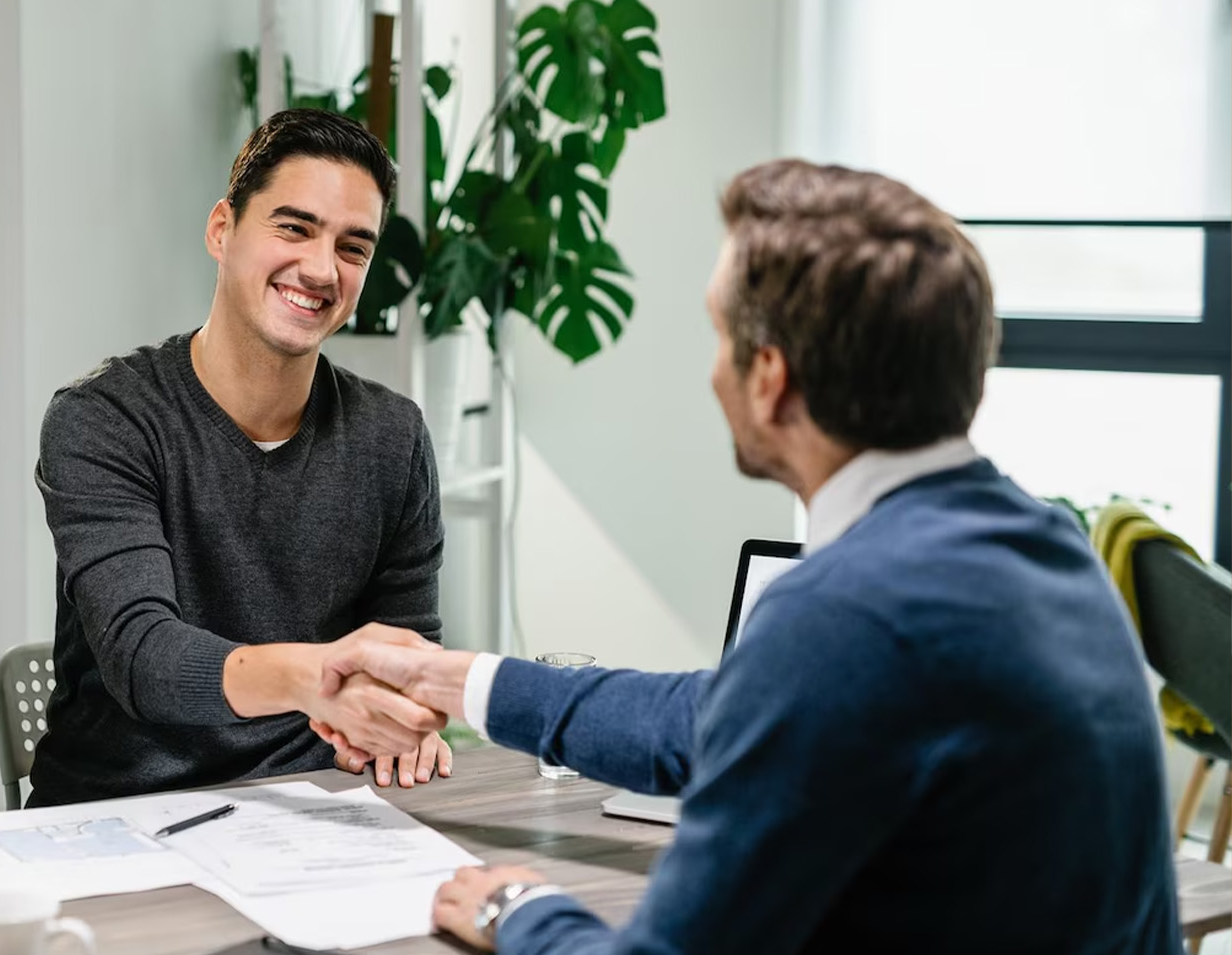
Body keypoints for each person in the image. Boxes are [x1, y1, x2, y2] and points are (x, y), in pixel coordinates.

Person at [312, 160, 1180, 953]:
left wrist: (521, 910)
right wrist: (451, 677)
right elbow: (713, 718)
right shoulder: (1050, 548)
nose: (712, 373)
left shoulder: (845, 614)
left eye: (719, 337)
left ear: (770, 377)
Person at [28, 108, 449, 807]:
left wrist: (409, 714)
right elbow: (146, 658)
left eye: (353, 248)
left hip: (320, 808)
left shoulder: (392, 436)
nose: (320, 268)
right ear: (222, 228)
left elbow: (405, 652)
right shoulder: (104, 420)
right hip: (122, 817)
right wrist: (319, 678)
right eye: (294, 227)